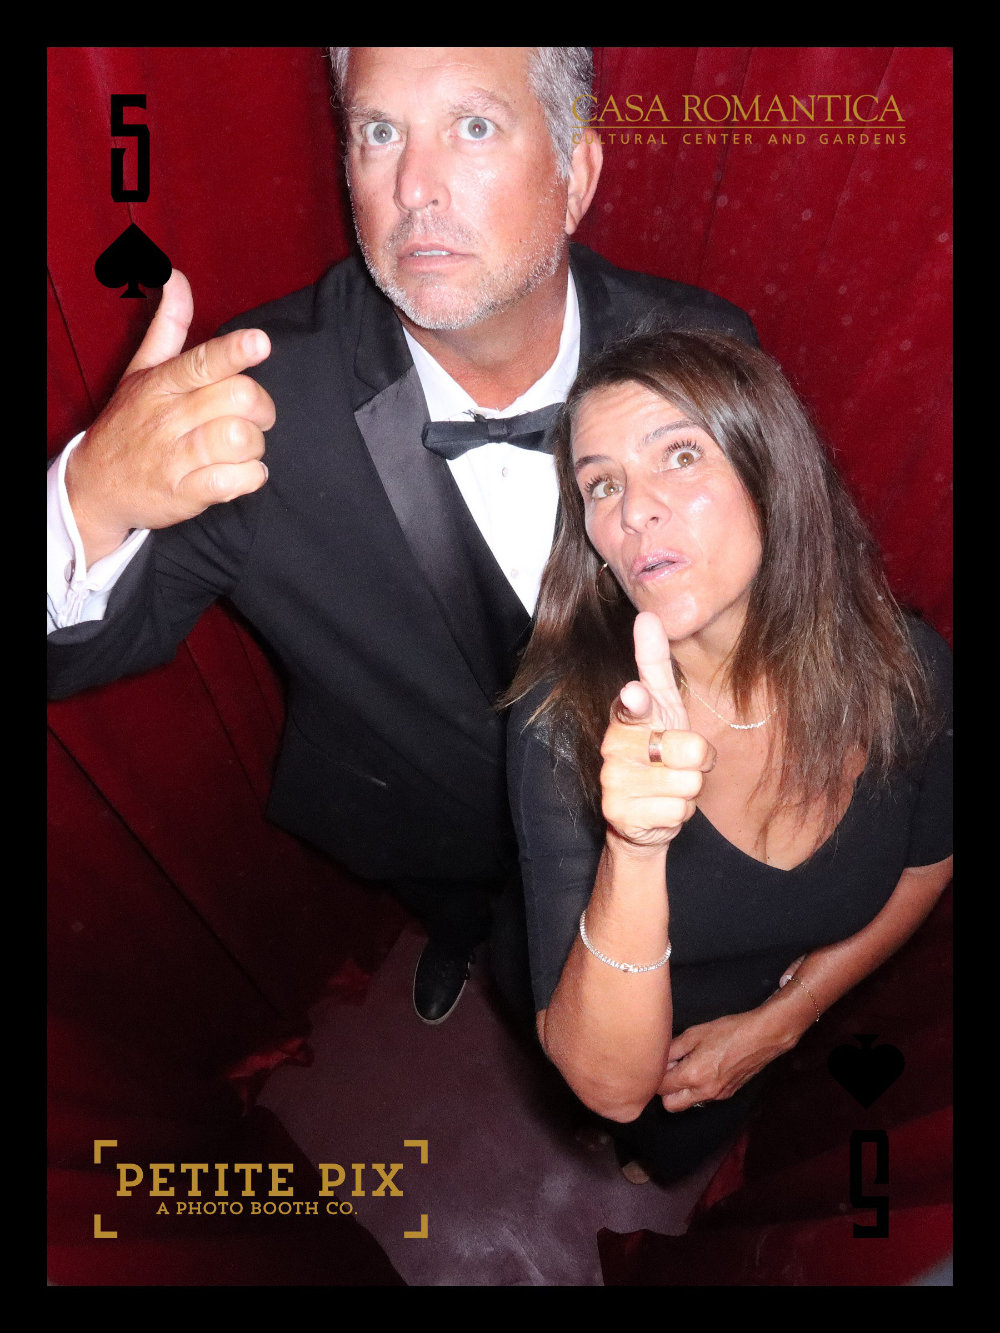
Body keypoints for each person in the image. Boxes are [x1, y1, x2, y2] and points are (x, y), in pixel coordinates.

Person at [46, 48, 757, 1027]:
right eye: (379, 133)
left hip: (655, 803)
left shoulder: (708, 349)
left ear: (576, 174)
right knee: (476, 923)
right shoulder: (255, 405)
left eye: (473, 126)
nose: (414, 187)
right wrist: (88, 498)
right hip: (417, 811)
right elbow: (71, 649)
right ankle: (467, 941)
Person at [506, 326, 952, 1183]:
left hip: (759, 1033)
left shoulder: (910, 671)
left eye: (679, 455)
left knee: (684, 1147)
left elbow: (929, 865)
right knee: (636, 1135)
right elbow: (609, 1086)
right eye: (602, 484)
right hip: (626, 1032)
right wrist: (636, 849)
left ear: (770, 472)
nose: (632, 510)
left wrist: (784, 1020)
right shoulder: (561, 720)